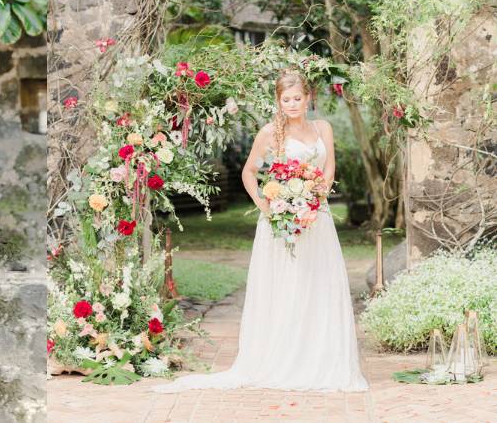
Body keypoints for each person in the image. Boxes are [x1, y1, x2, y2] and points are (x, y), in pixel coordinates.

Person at [154, 69, 369, 393]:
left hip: (317, 218)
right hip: (281, 222)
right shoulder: (271, 133)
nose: (293, 104)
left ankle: (320, 358)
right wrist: (266, 204)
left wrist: (315, 195)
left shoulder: (323, 128)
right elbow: (250, 172)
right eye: (287, 99)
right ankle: (283, 357)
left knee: (319, 284)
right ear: (279, 101)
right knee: (287, 286)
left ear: (308, 98)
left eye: (298, 98)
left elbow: (329, 167)